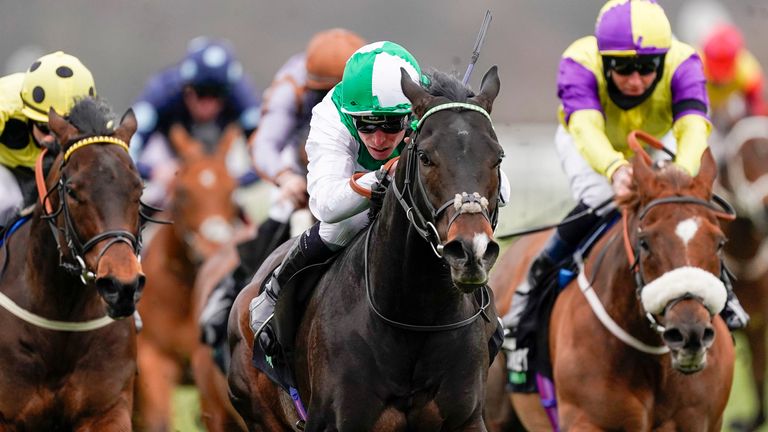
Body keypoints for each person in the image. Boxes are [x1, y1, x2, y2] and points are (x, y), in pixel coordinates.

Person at [502, 0, 749, 393]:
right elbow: (586, 129)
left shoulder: (685, 63)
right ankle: (529, 293)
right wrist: (615, 170)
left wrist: (681, 181)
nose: (635, 79)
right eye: (622, 67)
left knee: (682, 212)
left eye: (647, 67)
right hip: (591, 142)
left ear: (662, 60)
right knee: (600, 203)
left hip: (659, 137)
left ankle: (725, 289)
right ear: (605, 63)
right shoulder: (579, 63)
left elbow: (693, 128)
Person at [248, 41, 511, 356]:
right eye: (366, 124)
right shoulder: (331, 116)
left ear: (410, 113)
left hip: (413, 184)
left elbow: (502, 192)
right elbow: (326, 205)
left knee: (458, 229)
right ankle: (274, 296)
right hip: (351, 186)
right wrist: (384, 175)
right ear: (352, 117)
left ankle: (484, 311)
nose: (378, 138)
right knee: (340, 227)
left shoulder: (430, 105)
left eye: (390, 124)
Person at [199, 29, 365, 353]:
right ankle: (231, 292)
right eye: (323, 93)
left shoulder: (374, 80)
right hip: (300, 160)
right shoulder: (292, 86)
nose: (332, 100)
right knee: (281, 210)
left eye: (340, 92)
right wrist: (286, 178)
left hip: (357, 159)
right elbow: (264, 145)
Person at [130, 37, 261, 206]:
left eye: (217, 93)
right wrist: (153, 172)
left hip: (223, 160)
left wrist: (237, 180)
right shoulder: (162, 93)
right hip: (168, 158)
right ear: (187, 87)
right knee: (150, 197)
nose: (208, 104)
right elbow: (126, 148)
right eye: (201, 92)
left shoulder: (243, 97)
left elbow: (265, 155)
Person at [0, 51, 96, 228]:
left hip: (50, 172)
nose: (53, 139)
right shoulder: (4, 105)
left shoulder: (94, 125)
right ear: (27, 113)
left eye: (65, 128)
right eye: (45, 127)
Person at [700, 23, 767, 127]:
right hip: (701, 103)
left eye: (724, 64)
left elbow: (758, 107)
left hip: (729, 107)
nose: (719, 71)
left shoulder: (748, 72)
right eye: (716, 63)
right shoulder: (694, 65)